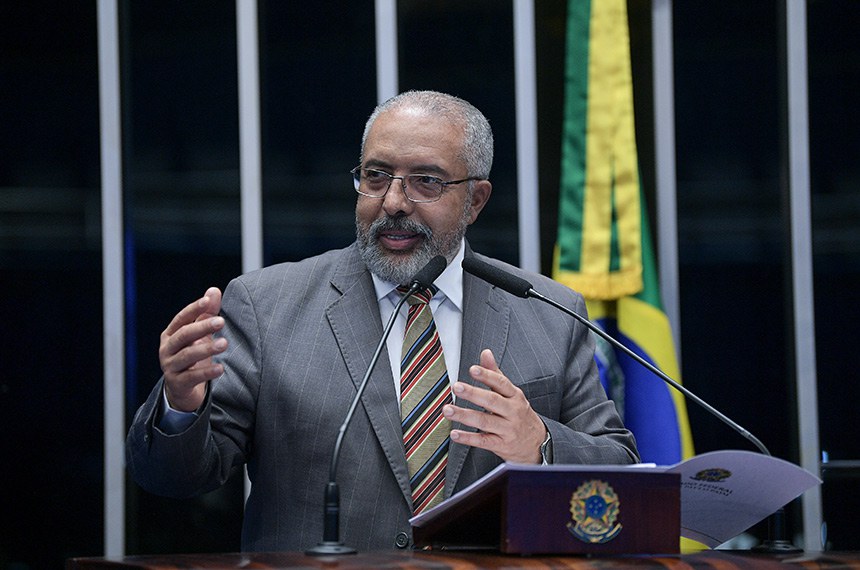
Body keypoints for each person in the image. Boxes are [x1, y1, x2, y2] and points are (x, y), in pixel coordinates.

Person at [126, 90, 639, 552]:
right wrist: (181, 404)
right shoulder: (267, 306)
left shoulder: (547, 310)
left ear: (476, 200)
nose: (393, 202)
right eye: (376, 176)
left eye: (427, 182)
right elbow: (172, 479)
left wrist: (541, 445)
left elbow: (624, 479)